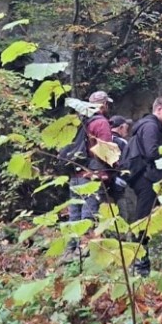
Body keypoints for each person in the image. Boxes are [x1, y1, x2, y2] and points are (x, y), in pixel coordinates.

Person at [128, 96, 162, 276]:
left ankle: (146, 260)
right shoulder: (150, 126)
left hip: (144, 177)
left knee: (149, 218)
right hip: (147, 179)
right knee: (143, 220)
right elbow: (151, 152)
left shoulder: (147, 125)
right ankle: (140, 264)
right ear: (158, 109)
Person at [66, 91, 113, 254]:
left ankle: (70, 250)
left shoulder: (81, 121)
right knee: (89, 213)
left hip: (75, 173)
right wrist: (110, 169)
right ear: (104, 104)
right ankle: (84, 252)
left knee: (74, 214)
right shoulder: (101, 123)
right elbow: (106, 150)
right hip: (92, 174)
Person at [109, 115, 133, 223]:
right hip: (118, 185)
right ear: (121, 128)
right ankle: (122, 237)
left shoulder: (103, 140)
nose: (127, 132)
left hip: (103, 182)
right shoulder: (122, 142)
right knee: (122, 215)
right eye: (126, 128)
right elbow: (128, 163)